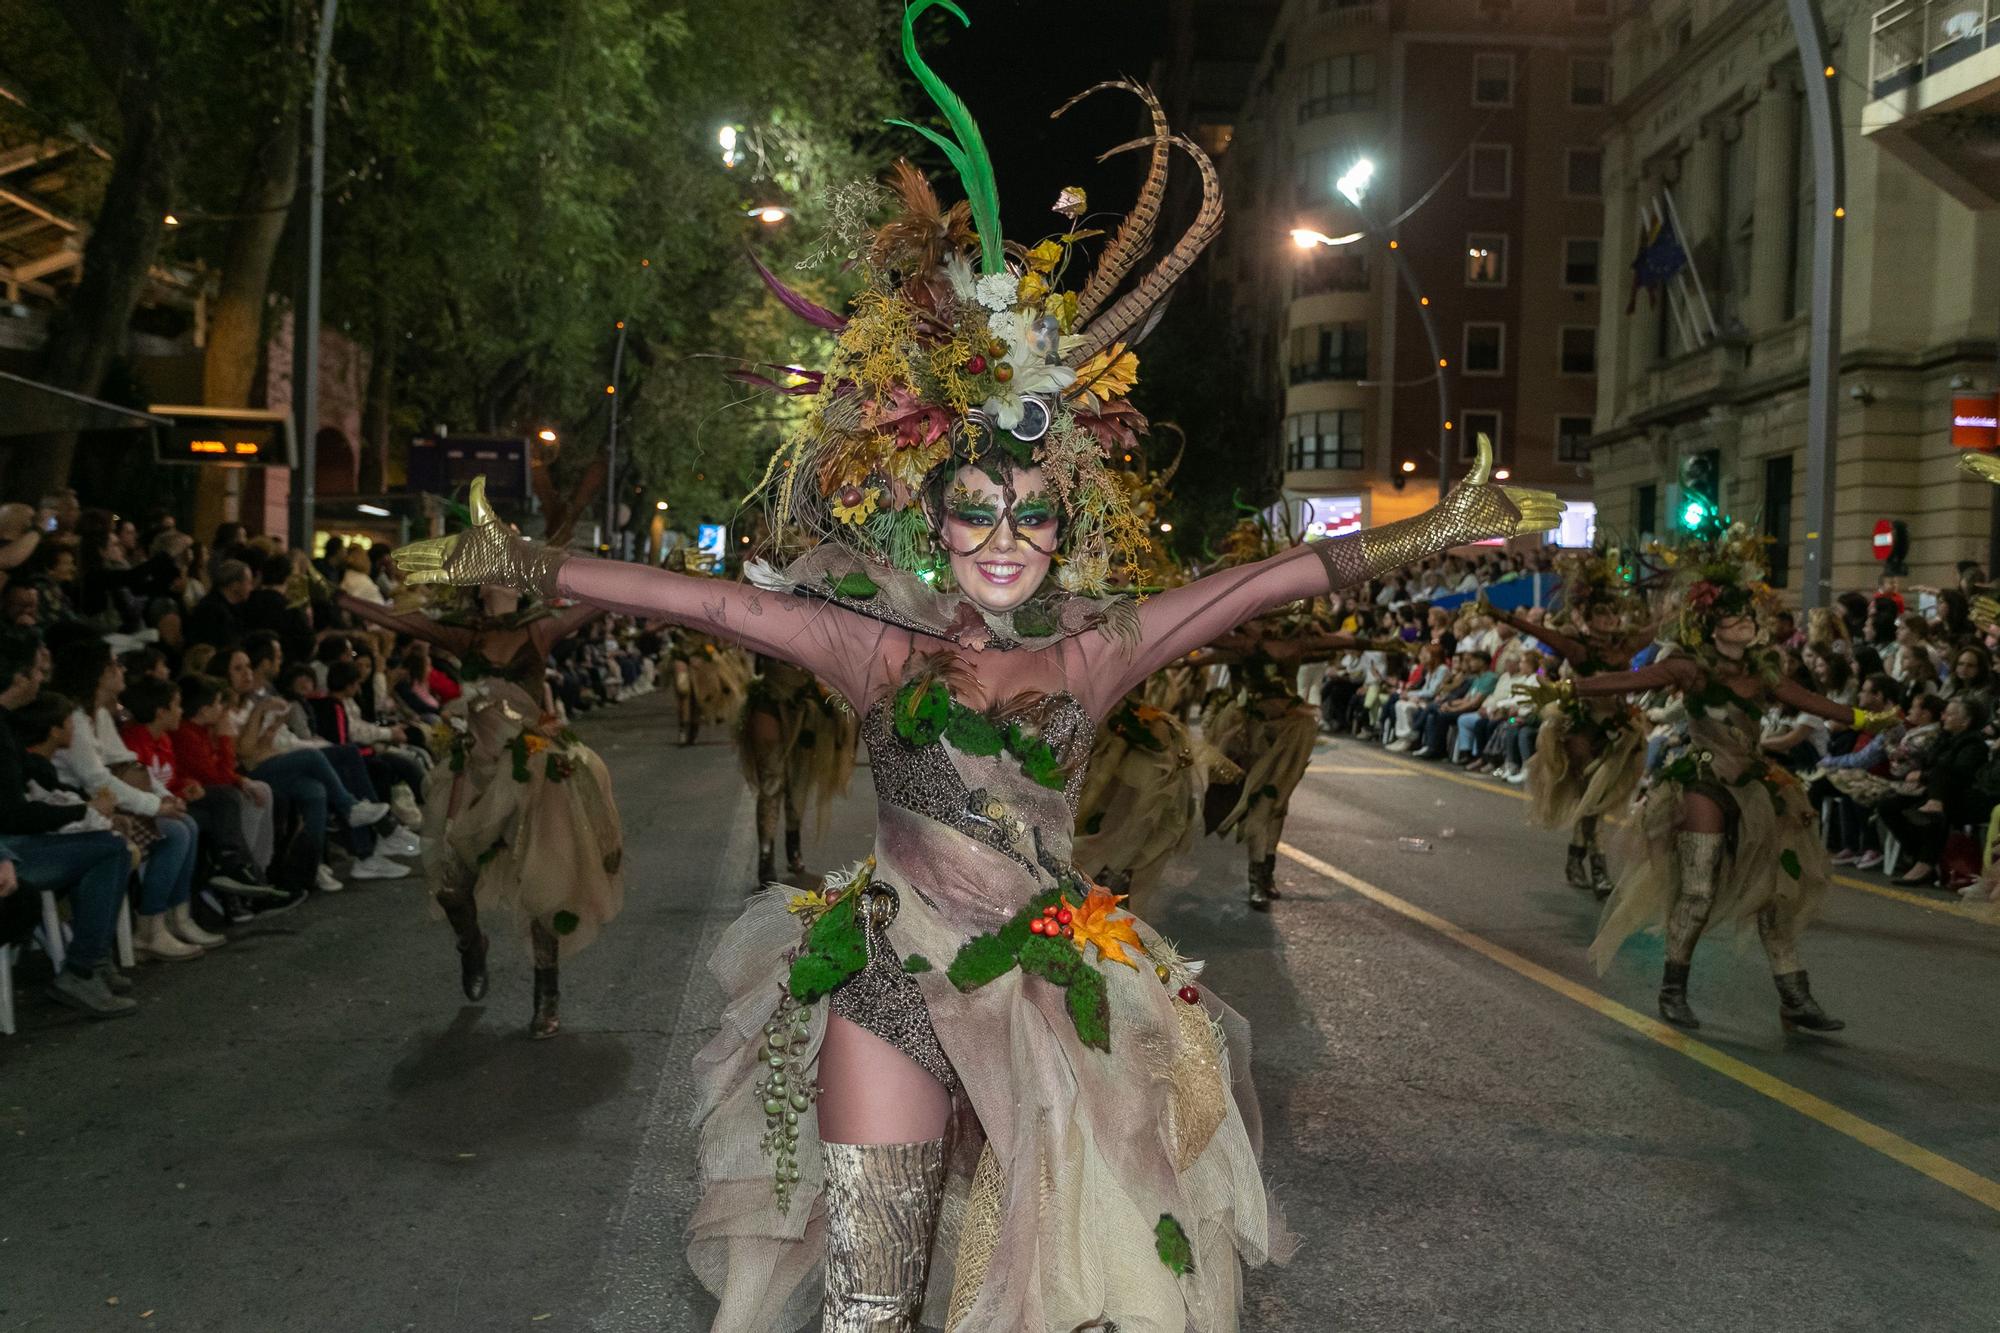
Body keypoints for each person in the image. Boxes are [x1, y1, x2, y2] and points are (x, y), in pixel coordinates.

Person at [394, 39, 1559, 1324]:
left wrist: (1433, 531)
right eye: (975, 511)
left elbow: (1277, 581)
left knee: (1076, 1297)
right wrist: (519, 556)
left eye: (1031, 515)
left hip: (1050, 984)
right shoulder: (875, 650)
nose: (1003, 537)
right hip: (892, 969)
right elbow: (703, 598)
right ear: (931, 522)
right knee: (868, 1305)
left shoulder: (1098, 649)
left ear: (1065, 527)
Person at [1548, 532, 1897, 1033]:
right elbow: (1628, 681)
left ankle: (1795, 996)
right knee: (1698, 886)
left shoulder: (1763, 672)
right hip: (1704, 781)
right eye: (1737, 618)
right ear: (1712, 627)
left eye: (1750, 618)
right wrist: (1566, 688)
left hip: (1759, 784)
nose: (1749, 625)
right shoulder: (1689, 668)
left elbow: (1811, 701)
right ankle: (1673, 989)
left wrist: (1867, 718)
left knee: (1779, 888)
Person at [335, 581, 622, 1038]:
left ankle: (546, 995)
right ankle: (472, 945)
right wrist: (341, 598)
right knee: (451, 889)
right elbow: (397, 619)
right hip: (477, 773)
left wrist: (649, 580)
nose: (493, 579)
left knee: (541, 883)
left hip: (534, 771)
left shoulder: (539, 629)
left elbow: (597, 601)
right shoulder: (462, 633)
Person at [0, 631, 137, 1016]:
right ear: (18, 678)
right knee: (108, 850)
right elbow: (12, 815)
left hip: (14, 843)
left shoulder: (5, 724)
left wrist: (86, 809)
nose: (43, 679)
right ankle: (82, 968)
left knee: (104, 842)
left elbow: (38, 778)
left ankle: (91, 961)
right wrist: (81, 811)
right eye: (37, 671)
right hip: (9, 851)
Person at [738, 655, 859, 885]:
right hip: (771, 699)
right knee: (771, 784)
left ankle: (793, 845)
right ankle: (766, 856)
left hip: (806, 705)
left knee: (799, 785)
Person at [185, 558, 253, 650]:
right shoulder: (211, 610)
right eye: (248, 582)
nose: (251, 588)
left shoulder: (235, 608)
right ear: (235, 585)